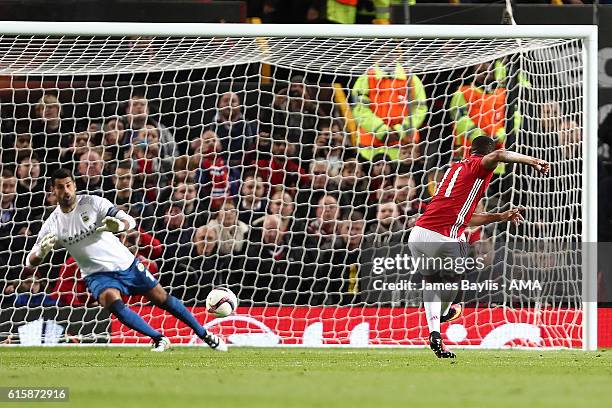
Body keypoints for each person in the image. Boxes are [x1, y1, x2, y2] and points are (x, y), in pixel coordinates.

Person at [26, 168, 227, 352]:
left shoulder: (93, 203)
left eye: (69, 184)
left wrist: (119, 226)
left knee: (161, 299)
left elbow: (129, 220)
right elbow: (30, 261)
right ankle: (158, 338)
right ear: (53, 190)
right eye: (60, 187)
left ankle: (205, 334)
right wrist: (41, 253)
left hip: (126, 264)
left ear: (75, 185)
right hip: (96, 275)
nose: (66, 190)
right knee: (110, 301)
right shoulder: (52, 223)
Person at [408, 136, 549, 358]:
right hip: (443, 237)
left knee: (434, 284)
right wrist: (532, 160)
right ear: (487, 154)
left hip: (418, 235)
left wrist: (499, 216)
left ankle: (435, 333)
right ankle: (445, 314)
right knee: (452, 284)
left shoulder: (456, 169)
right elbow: (500, 156)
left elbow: (466, 218)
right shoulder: (478, 166)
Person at [351, 61, 427, 161]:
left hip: (404, 149)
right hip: (370, 149)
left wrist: (400, 131)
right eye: (379, 45)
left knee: (404, 176)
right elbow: (359, 109)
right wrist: (381, 130)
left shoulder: (411, 78)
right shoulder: (366, 78)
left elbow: (420, 109)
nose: (386, 50)